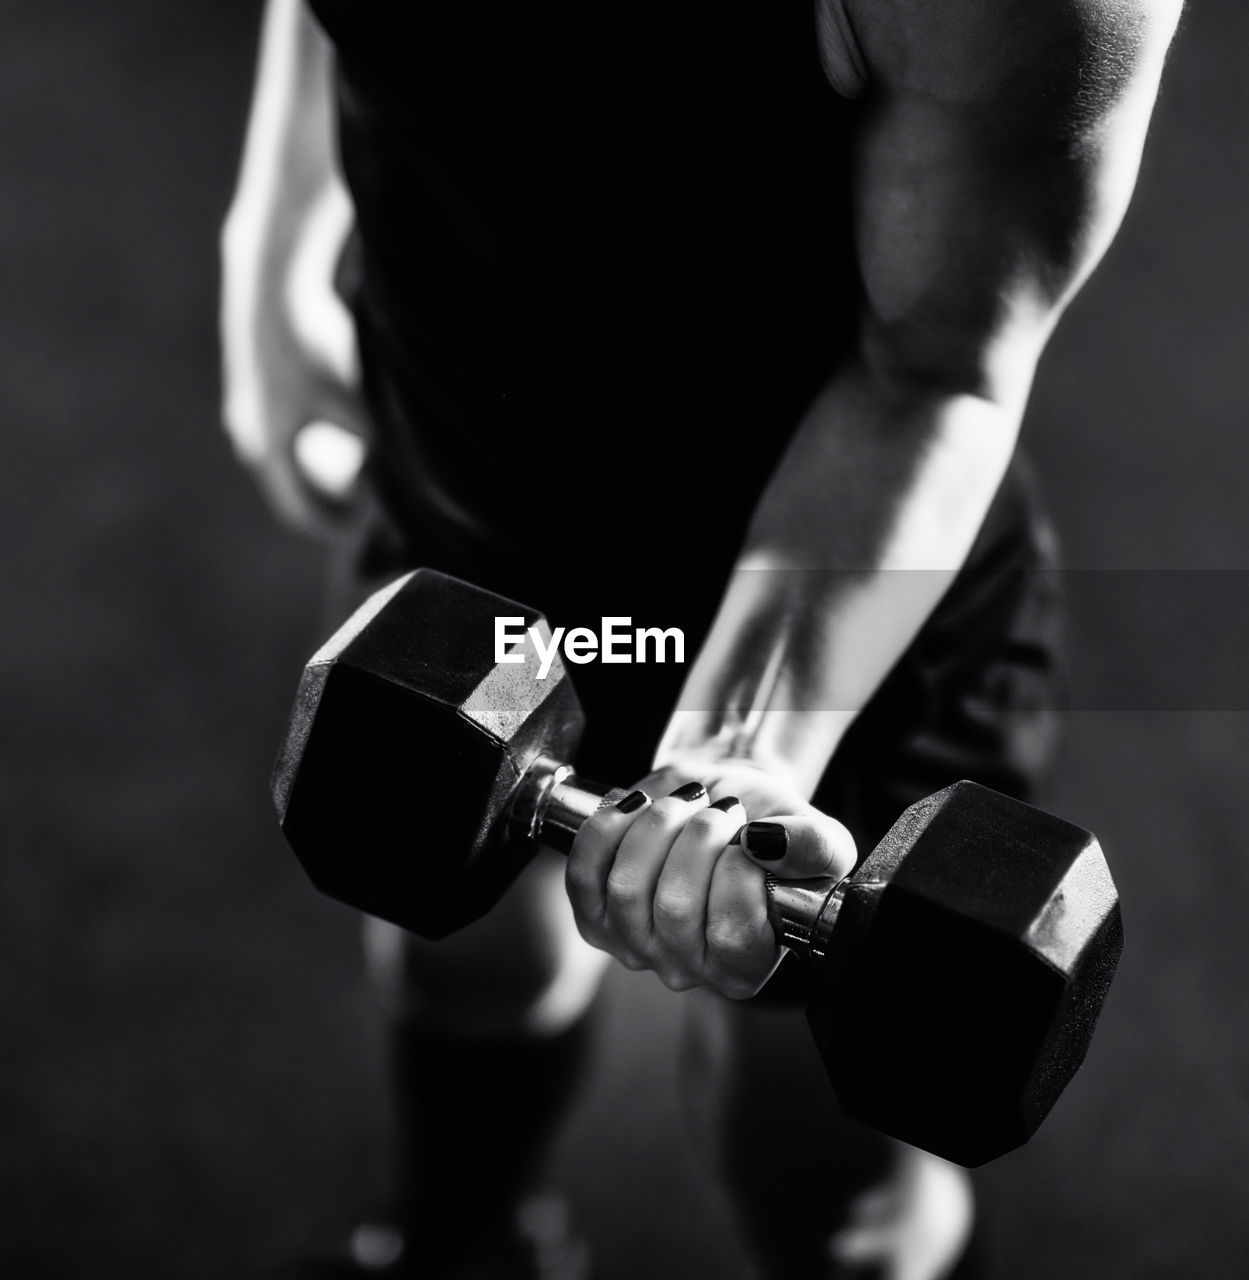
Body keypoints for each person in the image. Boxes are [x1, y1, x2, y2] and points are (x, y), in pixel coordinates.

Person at [221, 2, 1181, 1276]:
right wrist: (277, 231)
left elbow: (937, 369)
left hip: (828, 590)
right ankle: (461, 1241)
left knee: (819, 1176)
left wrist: (736, 751)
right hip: (466, 499)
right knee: (456, 952)